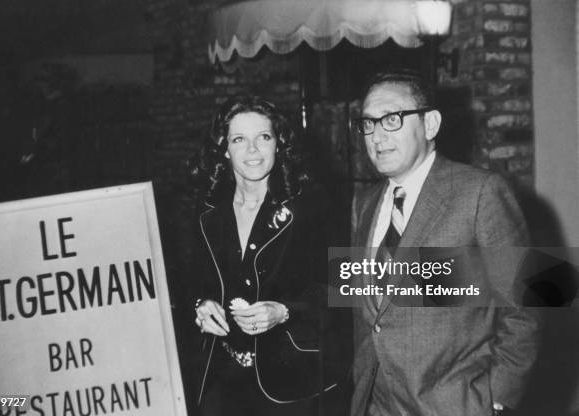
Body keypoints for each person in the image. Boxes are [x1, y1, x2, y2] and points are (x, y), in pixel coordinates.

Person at [350, 70, 540, 416]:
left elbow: (528, 306)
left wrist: (496, 398)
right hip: (376, 405)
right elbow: (367, 312)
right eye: (368, 123)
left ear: (431, 124)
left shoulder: (480, 192)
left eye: (391, 119)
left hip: (456, 404)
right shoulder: (364, 204)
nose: (377, 135)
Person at [191, 96, 341, 416]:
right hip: (224, 375)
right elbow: (192, 282)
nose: (253, 150)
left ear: (278, 144)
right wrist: (201, 307)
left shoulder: (311, 205)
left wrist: (286, 310)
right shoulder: (207, 214)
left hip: (293, 382)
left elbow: (345, 290)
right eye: (239, 139)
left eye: (264, 137)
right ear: (224, 148)